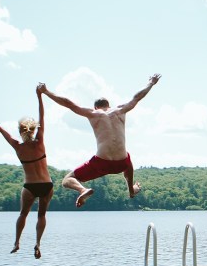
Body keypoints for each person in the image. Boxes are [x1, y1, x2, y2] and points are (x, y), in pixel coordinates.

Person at [39, 74, 160, 208]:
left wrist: (46, 91)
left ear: (96, 107)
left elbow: (69, 104)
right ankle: (131, 190)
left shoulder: (93, 113)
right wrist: (151, 83)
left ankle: (82, 190)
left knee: (67, 179)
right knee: (127, 158)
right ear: (109, 106)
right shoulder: (120, 110)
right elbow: (137, 97)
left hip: (102, 162)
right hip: (121, 163)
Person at [0, 85, 53, 259]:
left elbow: (1, 130)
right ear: (34, 129)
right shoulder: (40, 142)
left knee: (23, 214)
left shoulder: (17, 146)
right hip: (46, 184)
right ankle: (38, 243)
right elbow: (42, 116)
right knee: (41, 215)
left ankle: (17, 242)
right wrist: (40, 96)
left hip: (30, 186)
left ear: (20, 131)